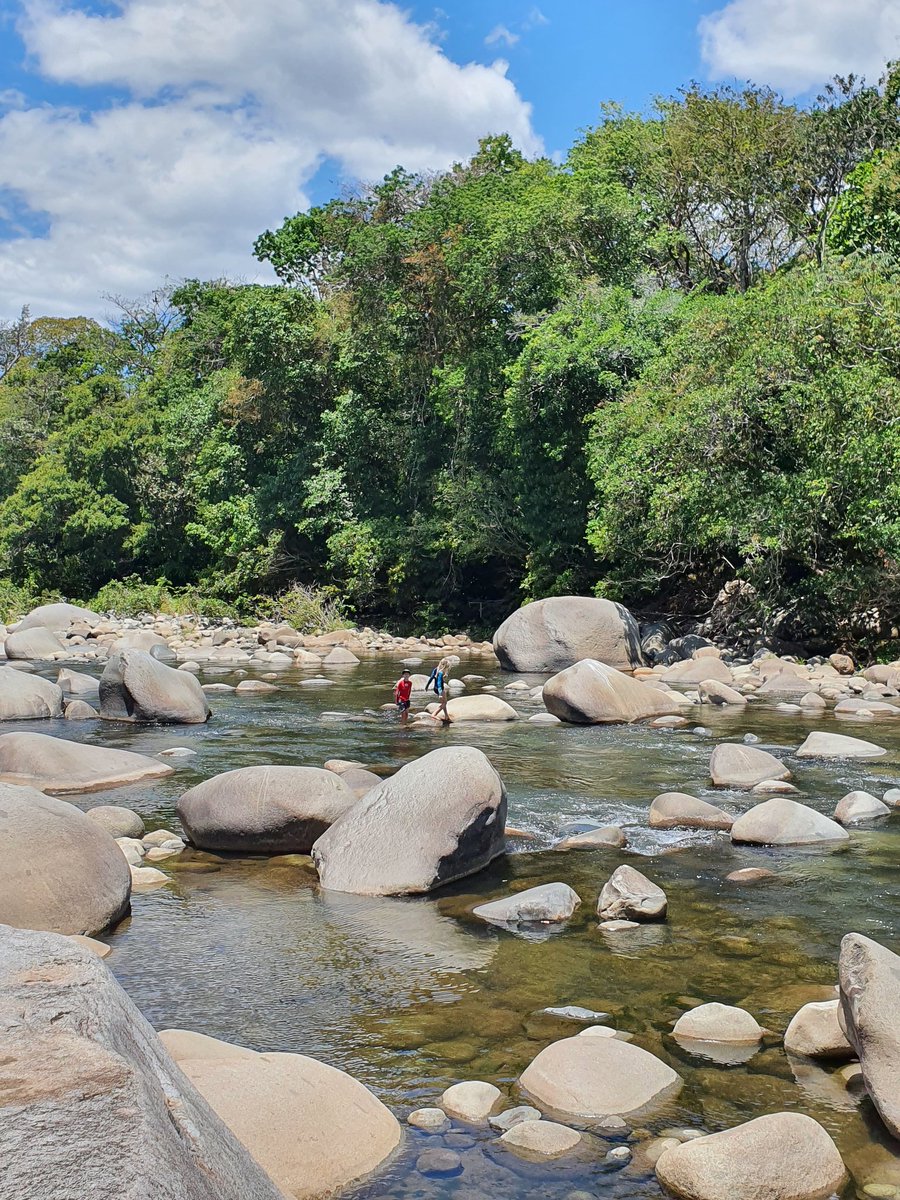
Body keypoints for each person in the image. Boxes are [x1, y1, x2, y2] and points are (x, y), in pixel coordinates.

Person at [426, 656, 453, 723]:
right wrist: (440, 693)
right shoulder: (441, 672)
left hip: (435, 688)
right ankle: (434, 714)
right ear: (445, 666)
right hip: (439, 688)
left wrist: (427, 686)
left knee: (444, 702)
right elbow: (439, 683)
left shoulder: (436, 669)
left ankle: (446, 716)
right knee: (444, 703)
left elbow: (431, 678)